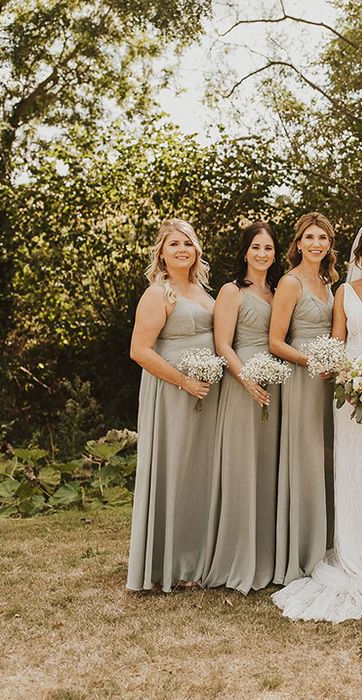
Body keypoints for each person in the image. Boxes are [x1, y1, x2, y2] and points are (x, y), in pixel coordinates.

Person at [272, 222, 362, 622]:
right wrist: (348, 377)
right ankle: (351, 552)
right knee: (351, 468)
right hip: (347, 389)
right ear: (358, 255)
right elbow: (337, 340)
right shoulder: (344, 292)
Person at [126, 218, 219, 593]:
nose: (181, 249)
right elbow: (139, 350)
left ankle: (197, 561)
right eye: (173, 244)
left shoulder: (203, 291)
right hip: (172, 392)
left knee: (200, 474)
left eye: (187, 243)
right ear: (161, 253)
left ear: (196, 249)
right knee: (175, 471)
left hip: (206, 392)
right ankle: (170, 563)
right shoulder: (157, 294)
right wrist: (183, 380)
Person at [203, 221, 284, 594]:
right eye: (256, 248)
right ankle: (238, 558)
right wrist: (246, 379)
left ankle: (268, 556)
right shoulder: (232, 291)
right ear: (245, 251)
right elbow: (223, 344)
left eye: (268, 248)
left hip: (277, 386)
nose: (262, 255)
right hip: (243, 385)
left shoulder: (279, 290)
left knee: (269, 469)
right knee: (242, 468)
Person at [269, 212, 338, 585]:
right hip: (302, 376)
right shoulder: (290, 282)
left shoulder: (329, 282)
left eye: (323, 238)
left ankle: (327, 542)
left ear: (329, 244)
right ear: (298, 243)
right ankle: (302, 548)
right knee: (306, 457)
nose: (316, 244)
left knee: (327, 456)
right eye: (309, 237)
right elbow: (275, 342)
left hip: (330, 380)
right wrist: (311, 360)